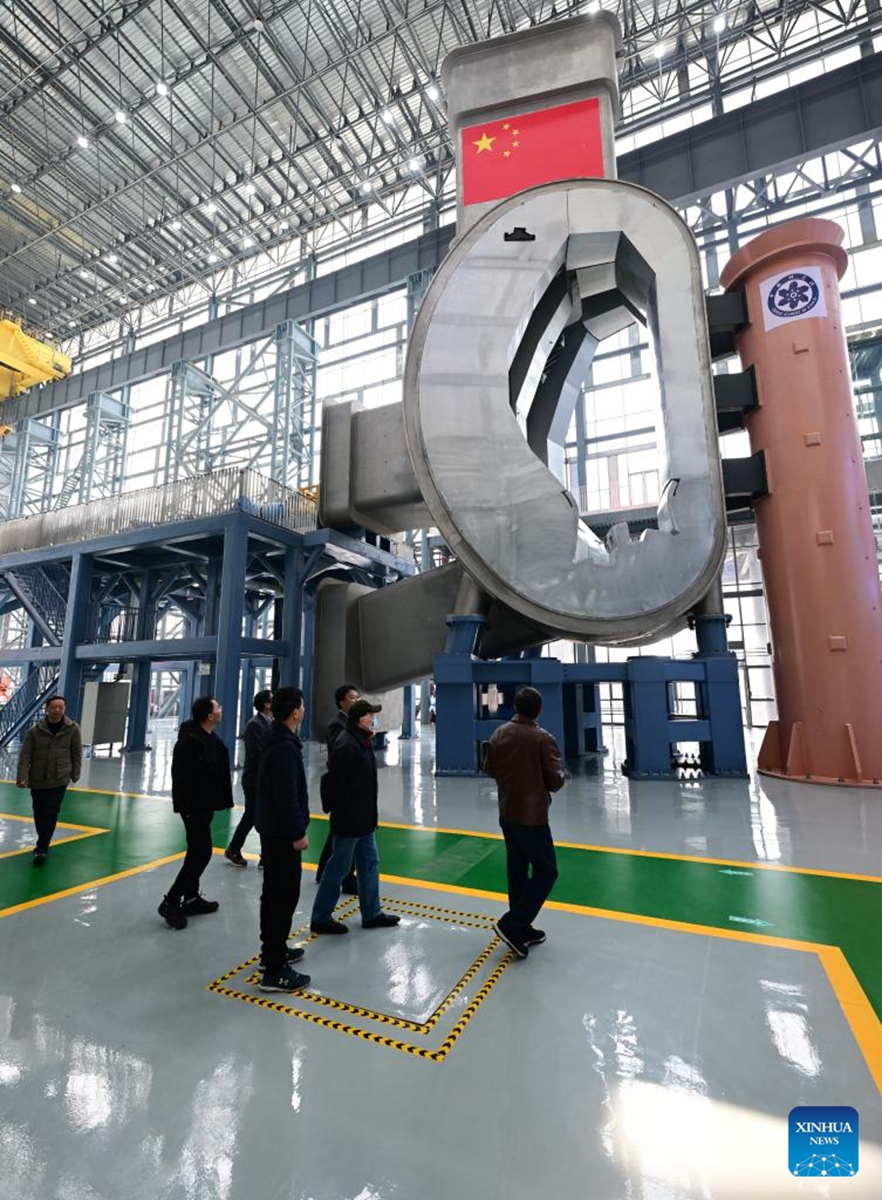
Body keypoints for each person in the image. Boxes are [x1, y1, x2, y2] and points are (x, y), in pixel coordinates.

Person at [483, 685, 565, 959]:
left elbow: (489, 768)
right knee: (546, 871)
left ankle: (521, 927)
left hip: (508, 812)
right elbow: (554, 782)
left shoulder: (499, 733)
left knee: (517, 869)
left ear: (515, 707)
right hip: (533, 817)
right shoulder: (543, 739)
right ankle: (513, 923)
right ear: (538, 709)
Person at [311, 698, 399, 935]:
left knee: (370, 864)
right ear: (362, 719)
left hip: (364, 819)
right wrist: (339, 812)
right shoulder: (347, 745)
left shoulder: (361, 740)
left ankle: (371, 913)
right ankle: (320, 917)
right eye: (371, 715)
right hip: (350, 820)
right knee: (338, 869)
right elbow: (333, 783)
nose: (374, 719)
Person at [158, 696, 233, 930]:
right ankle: (170, 901)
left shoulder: (210, 739)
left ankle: (190, 898)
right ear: (210, 715)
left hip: (205, 804)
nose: (221, 709)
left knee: (196, 851)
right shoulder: (189, 742)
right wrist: (186, 809)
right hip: (193, 807)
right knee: (201, 853)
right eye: (218, 707)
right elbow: (180, 779)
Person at [255, 686, 311, 993]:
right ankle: (275, 971)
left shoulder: (274, 738)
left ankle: (271, 953)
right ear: (295, 711)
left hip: (272, 831)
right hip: (282, 835)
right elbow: (287, 796)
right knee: (283, 897)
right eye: (301, 706)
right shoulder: (284, 747)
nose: (303, 710)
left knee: (273, 894)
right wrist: (297, 833)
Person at [16, 694, 82, 866]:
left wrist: (76, 773)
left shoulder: (73, 729)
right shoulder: (34, 731)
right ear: (47, 709)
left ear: (64, 709)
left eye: (61, 707)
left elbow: (76, 753)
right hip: (38, 778)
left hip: (60, 778)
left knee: (51, 811)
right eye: (54, 707)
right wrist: (22, 777)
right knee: (39, 811)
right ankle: (43, 839)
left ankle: (42, 847)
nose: (57, 710)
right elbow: (25, 756)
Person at [314, 682, 360, 894]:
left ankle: (323, 870)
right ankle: (347, 879)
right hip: (343, 787)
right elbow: (339, 756)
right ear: (342, 702)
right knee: (346, 833)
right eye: (352, 697)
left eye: (357, 697)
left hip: (349, 786)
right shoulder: (337, 725)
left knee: (337, 833)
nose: (356, 700)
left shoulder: (350, 724)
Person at [225, 688, 273, 867]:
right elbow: (256, 753)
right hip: (254, 781)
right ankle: (234, 849)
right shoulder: (255, 724)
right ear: (267, 704)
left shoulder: (269, 722)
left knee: (260, 816)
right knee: (252, 816)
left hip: (263, 779)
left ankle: (264, 855)